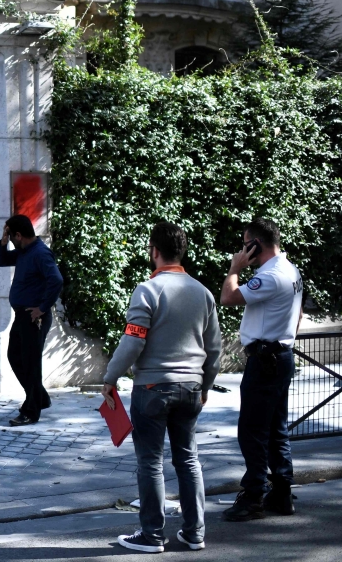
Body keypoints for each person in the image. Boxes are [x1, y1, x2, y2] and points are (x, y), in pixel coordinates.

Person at [103, 222, 221, 553]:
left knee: (151, 462)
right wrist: (206, 384)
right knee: (188, 459)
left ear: (154, 251)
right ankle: (195, 533)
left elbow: (133, 341)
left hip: (153, 387)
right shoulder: (203, 293)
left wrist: (110, 377)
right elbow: (214, 349)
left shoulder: (148, 290)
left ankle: (152, 535)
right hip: (191, 387)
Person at [220, 218, 303, 522]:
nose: (243, 250)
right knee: (276, 428)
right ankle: (281, 492)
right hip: (281, 356)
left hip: (265, 360)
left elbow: (228, 297)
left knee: (252, 431)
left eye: (246, 244)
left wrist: (235, 268)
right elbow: (298, 313)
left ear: (256, 244)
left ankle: (253, 496)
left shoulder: (270, 276)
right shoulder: (291, 270)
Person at [0, 214, 63, 427]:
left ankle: (31, 411)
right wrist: (3, 242)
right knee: (15, 356)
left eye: (10, 235)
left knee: (31, 364)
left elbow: (56, 280)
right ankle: (40, 397)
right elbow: (1, 261)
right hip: (22, 315)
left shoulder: (40, 253)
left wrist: (42, 308)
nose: (10, 239)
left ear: (18, 235)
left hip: (34, 318)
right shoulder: (24, 251)